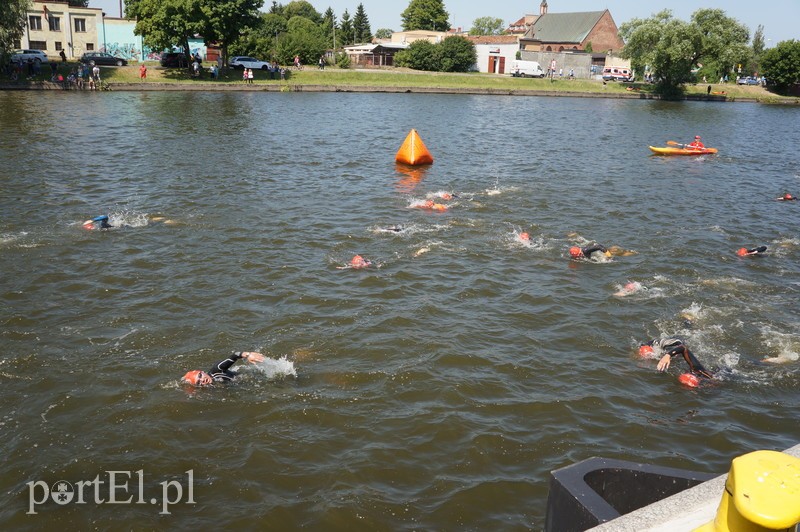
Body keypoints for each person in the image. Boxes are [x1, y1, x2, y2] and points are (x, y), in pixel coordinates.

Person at [639, 337, 714, 380]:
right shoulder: (698, 370)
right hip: (677, 343)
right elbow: (683, 348)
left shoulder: (698, 374)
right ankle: (688, 320)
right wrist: (668, 355)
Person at [182, 351, 265, 386]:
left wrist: (248, 355)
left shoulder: (217, 369)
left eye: (200, 376)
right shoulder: (210, 387)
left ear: (203, 372)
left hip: (252, 376)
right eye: (198, 382)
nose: (202, 380)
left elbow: (235, 355)